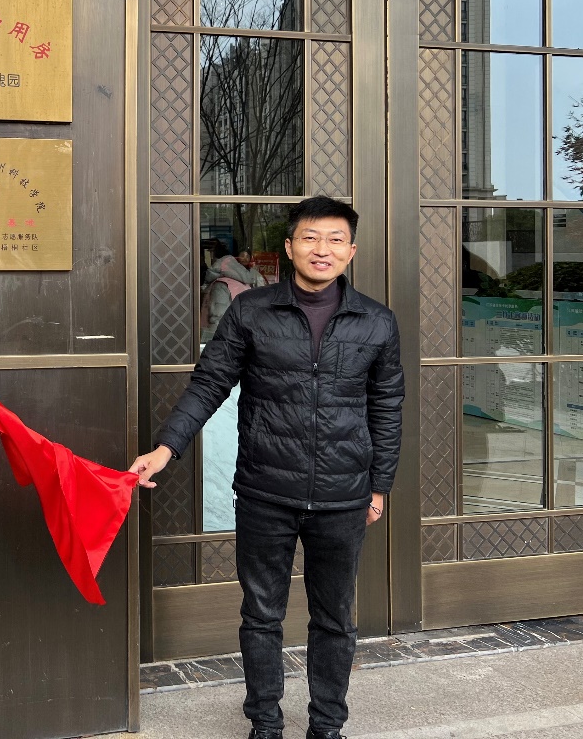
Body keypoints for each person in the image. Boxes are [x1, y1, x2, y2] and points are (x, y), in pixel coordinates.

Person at [130, 196, 403, 739]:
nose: (322, 249)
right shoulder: (252, 311)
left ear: (351, 251)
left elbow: (387, 407)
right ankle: (265, 723)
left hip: (342, 495)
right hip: (265, 490)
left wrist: (379, 486)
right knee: (261, 614)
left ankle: (327, 725)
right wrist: (166, 448)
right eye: (310, 237)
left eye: (334, 239)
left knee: (335, 617)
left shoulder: (376, 322)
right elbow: (209, 383)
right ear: (289, 246)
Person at [201, 239, 267, 335]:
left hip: (228, 337)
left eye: (211, 254)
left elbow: (217, 317)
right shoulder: (244, 282)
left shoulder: (221, 284)